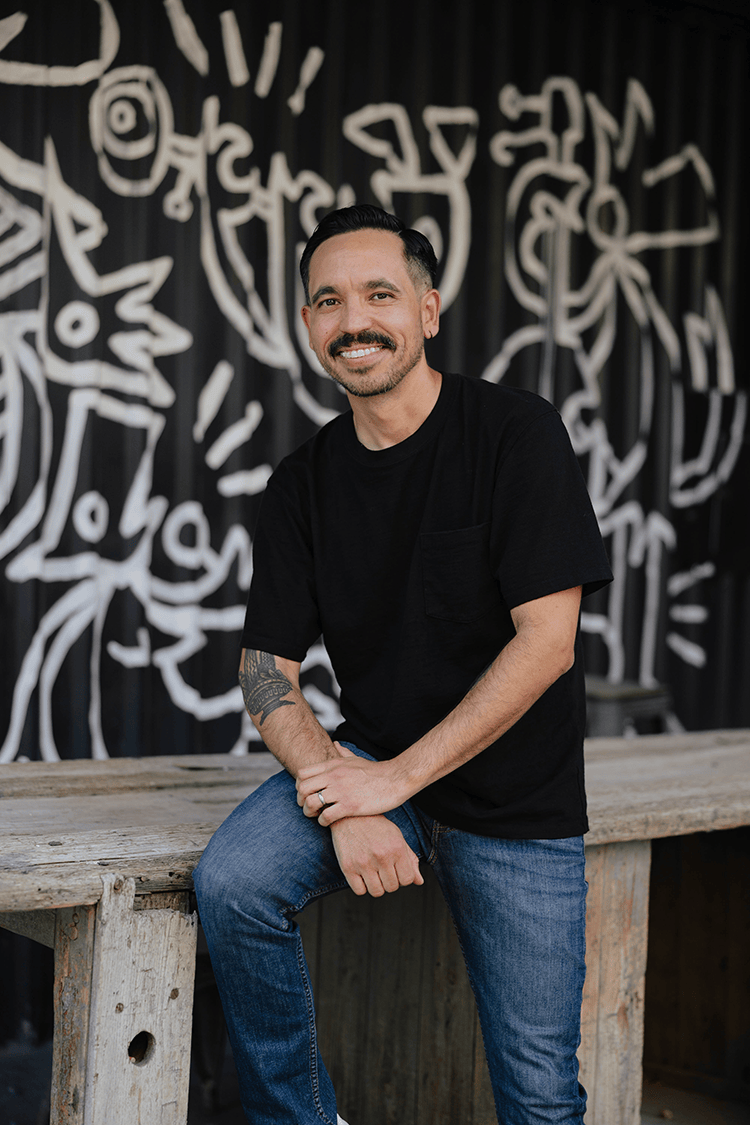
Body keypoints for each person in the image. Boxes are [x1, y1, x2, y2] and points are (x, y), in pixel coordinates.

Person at [193, 204, 613, 1125]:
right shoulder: (300, 485)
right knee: (232, 884)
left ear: (427, 309)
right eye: (328, 301)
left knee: (541, 1097)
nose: (355, 321)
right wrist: (332, 785)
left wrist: (388, 783)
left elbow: (547, 642)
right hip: (378, 761)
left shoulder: (514, 433)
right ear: (308, 325)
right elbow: (266, 670)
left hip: (518, 802)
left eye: (379, 294)